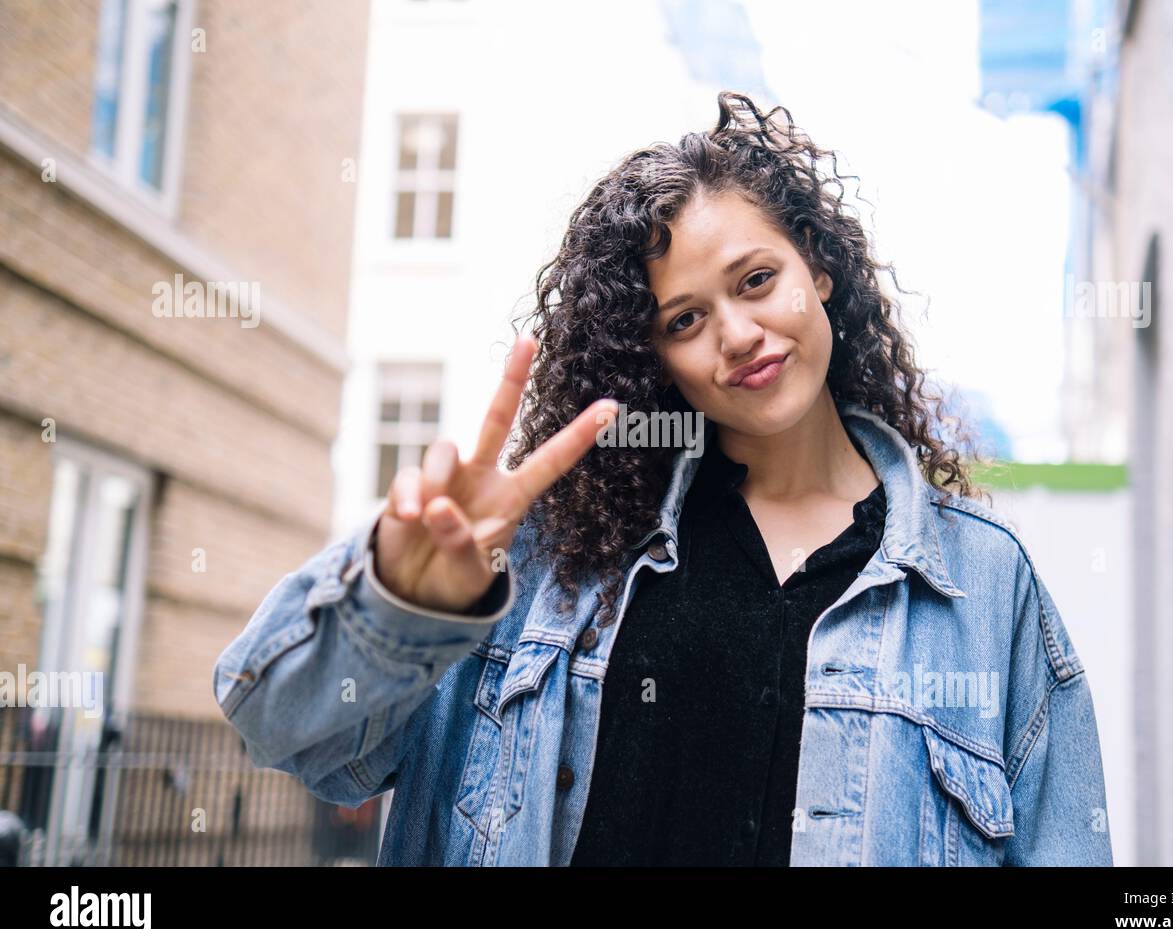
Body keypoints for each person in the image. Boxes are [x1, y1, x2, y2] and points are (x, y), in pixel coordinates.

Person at [214, 92, 1113, 866]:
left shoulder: (987, 591)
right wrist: (401, 605)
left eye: (757, 280)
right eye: (685, 318)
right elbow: (290, 734)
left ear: (822, 272)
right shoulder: (542, 558)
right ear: (654, 363)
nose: (738, 334)